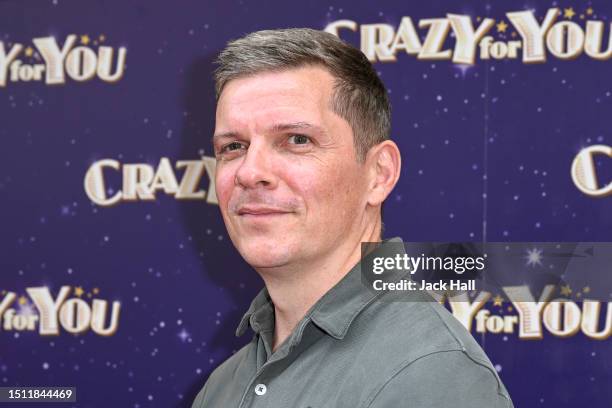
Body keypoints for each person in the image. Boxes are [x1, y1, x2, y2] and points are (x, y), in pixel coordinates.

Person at [191, 28, 513, 408]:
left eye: (296, 140)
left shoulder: (431, 375)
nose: (249, 172)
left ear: (379, 174)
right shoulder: (224, 387)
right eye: (233, 147)